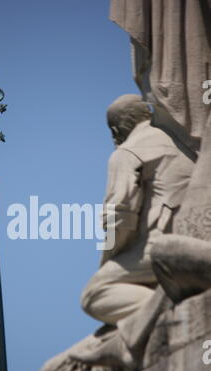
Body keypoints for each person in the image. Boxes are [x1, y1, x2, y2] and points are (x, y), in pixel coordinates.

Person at [81, 94, 195, 326]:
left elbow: (119, 218)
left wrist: (109, 262)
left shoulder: (127, 152)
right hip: (197, 236)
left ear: (115, 131)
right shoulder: (182, 143)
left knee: (96, 291)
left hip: (163, 245)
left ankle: (177, 313)